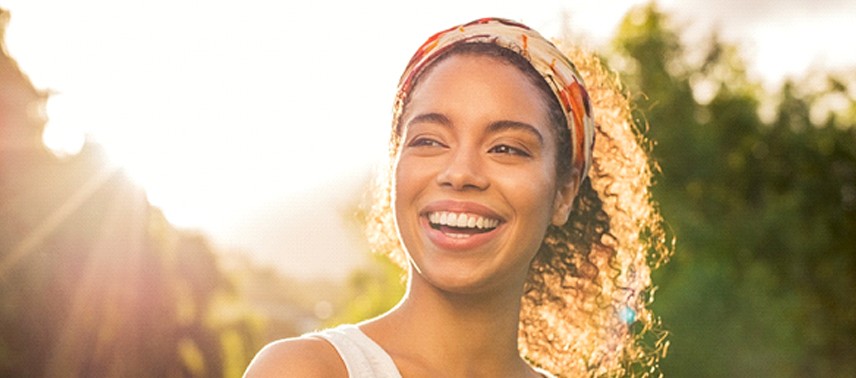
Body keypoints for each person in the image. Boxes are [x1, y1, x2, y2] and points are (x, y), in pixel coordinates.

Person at [244, 17, 669, 377]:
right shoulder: (306, 370)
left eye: (506, 148)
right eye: (429, 141)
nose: (461, 173)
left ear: (564, 192)